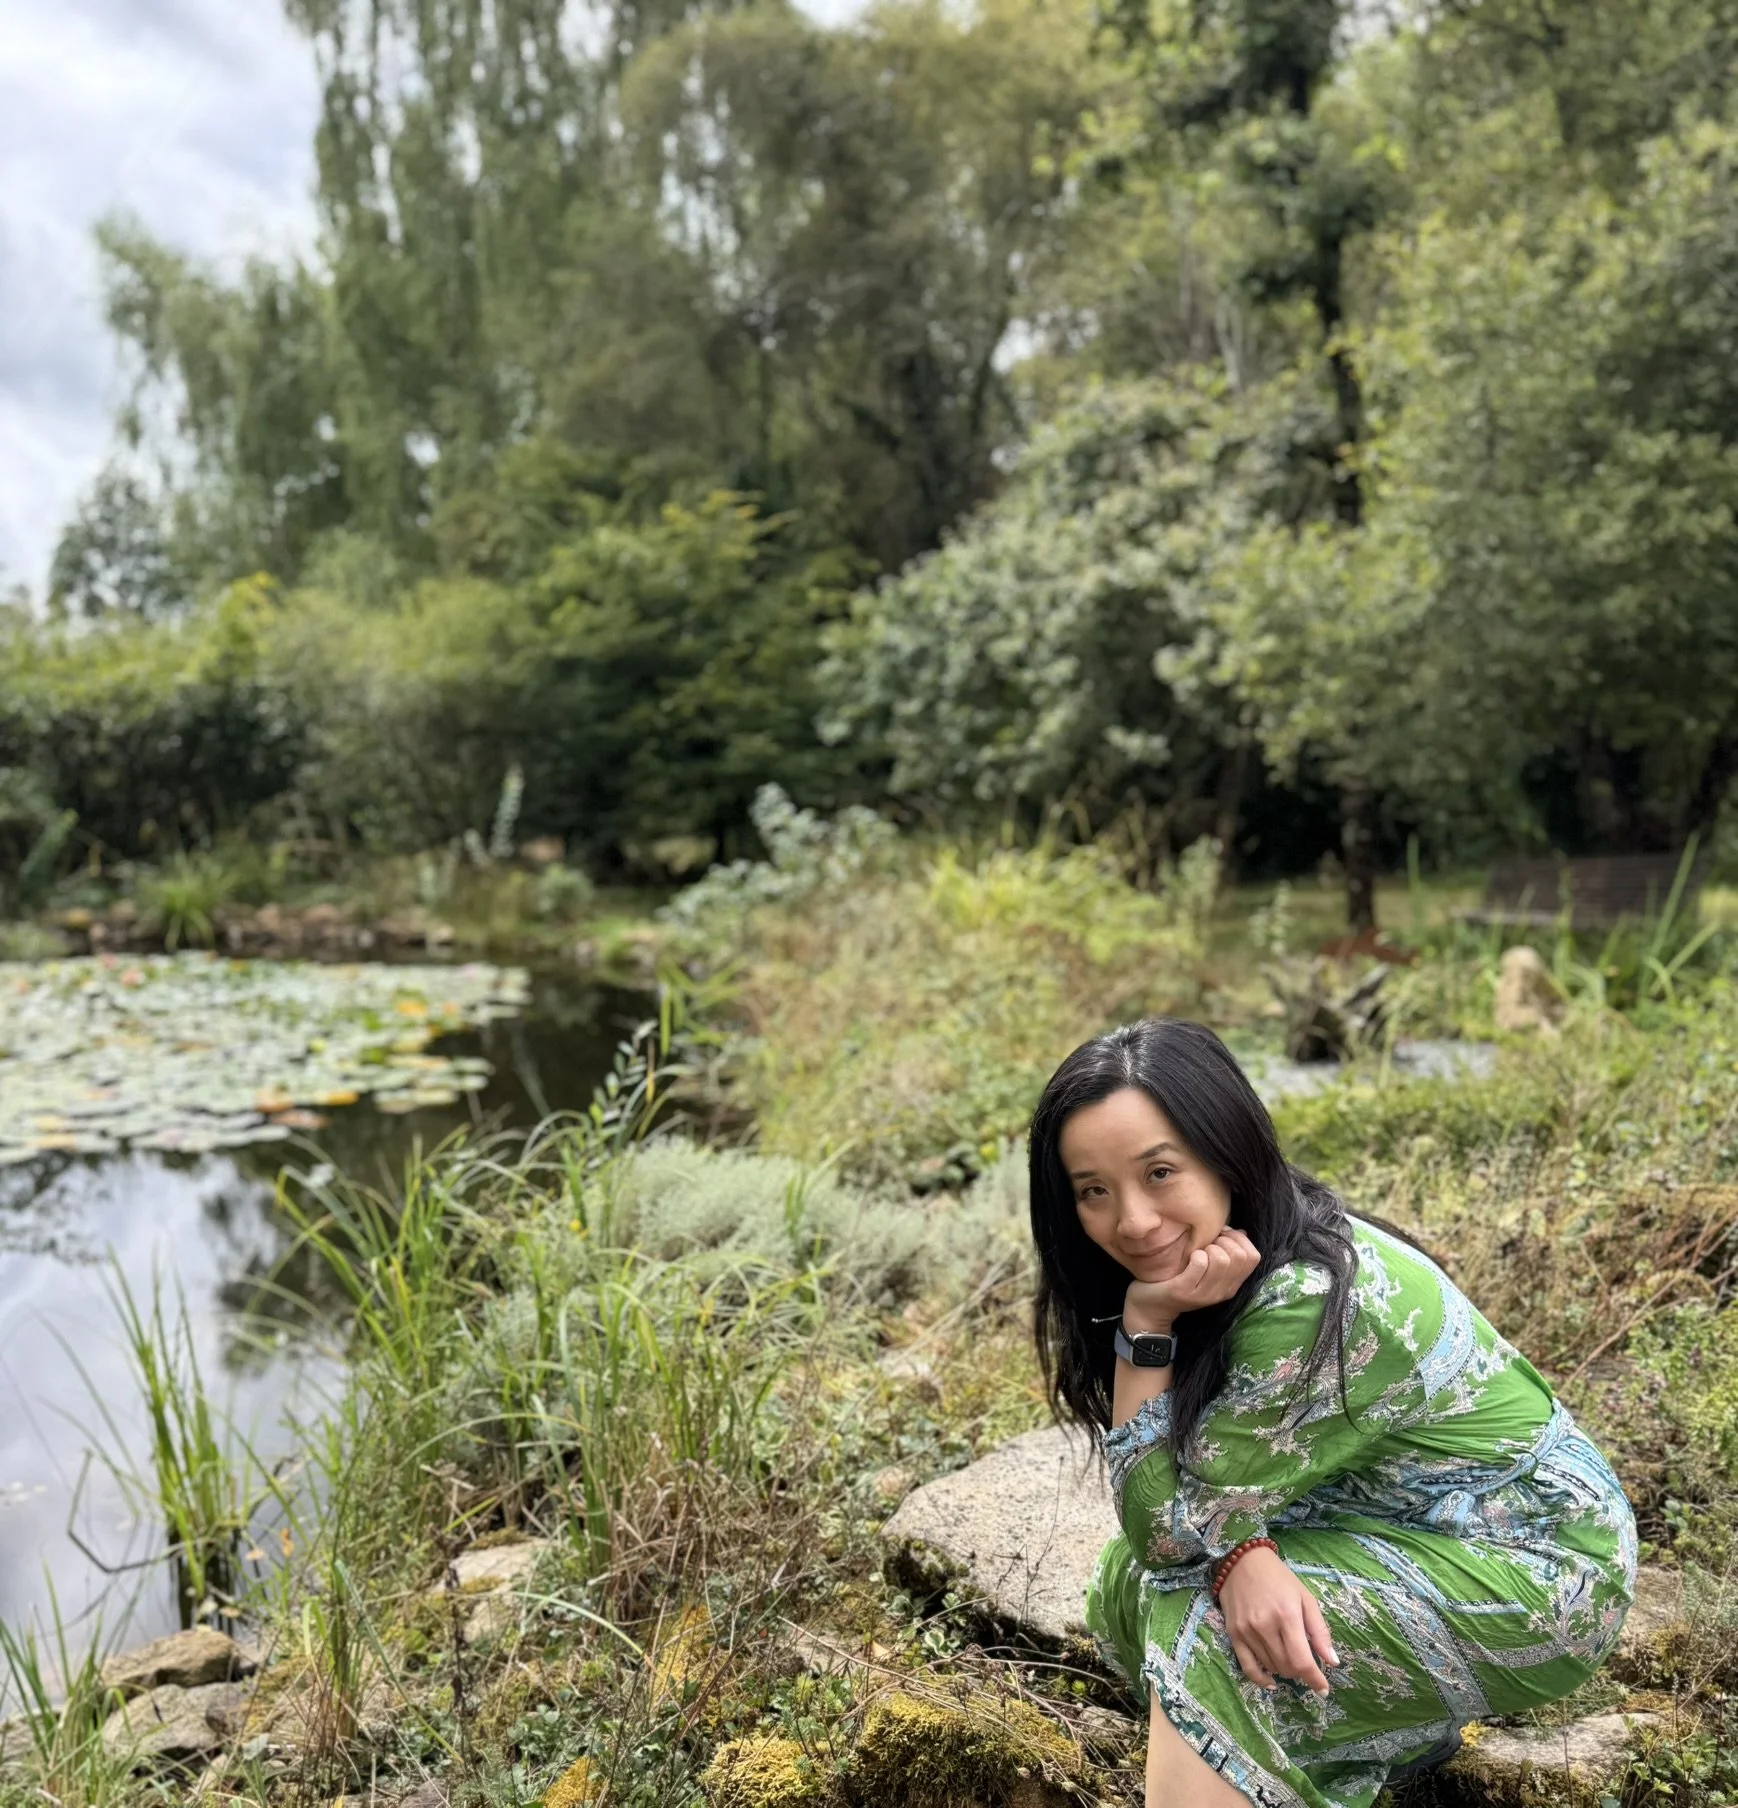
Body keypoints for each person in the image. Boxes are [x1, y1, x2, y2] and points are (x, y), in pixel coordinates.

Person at [1028, 1017, 1636, 1808]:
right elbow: (1170, 1533)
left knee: (1196, 1618)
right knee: (1121, 1592)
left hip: (1541, 1570)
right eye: (1094, 1191)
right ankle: (1376, 1724)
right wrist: (1242, 1550)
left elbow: (1173, 1536)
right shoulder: (1242, 1259)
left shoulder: (1307, 1298)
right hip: (1411, 1530)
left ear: (1224, 1150)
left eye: (1160, 1173)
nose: (1133, 1221)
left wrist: (1146, 1330)